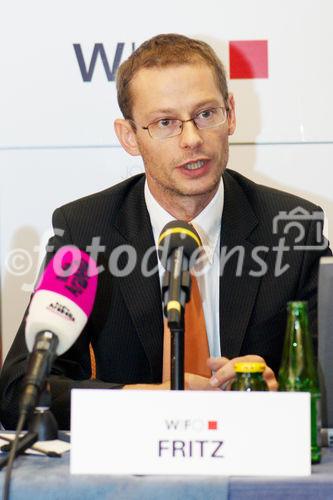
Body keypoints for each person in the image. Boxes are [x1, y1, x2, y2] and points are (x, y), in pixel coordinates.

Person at [0, 34, 331, 430]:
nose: (191, 139)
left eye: (207, 114)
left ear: (231, 113)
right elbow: (19, 390)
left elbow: (327, 380)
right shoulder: (85, 231)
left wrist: (283, 396)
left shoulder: (293, 228)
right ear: (129, 137)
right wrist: (144, 400)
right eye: (165, 122)